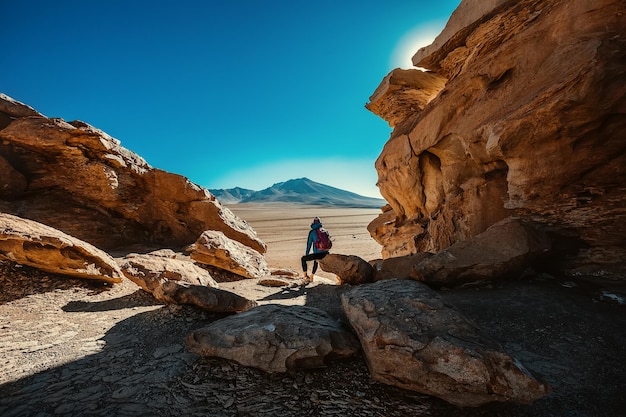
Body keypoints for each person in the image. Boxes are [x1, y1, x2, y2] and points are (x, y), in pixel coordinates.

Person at [301, 217, 329, 283]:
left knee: (303, 259)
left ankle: (305, 276)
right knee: (315, 261)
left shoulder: (312, 232)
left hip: (317, 254)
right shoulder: (324, 230)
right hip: (326, 253)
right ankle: (312, 276)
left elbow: (309, 244)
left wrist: (307, 254)